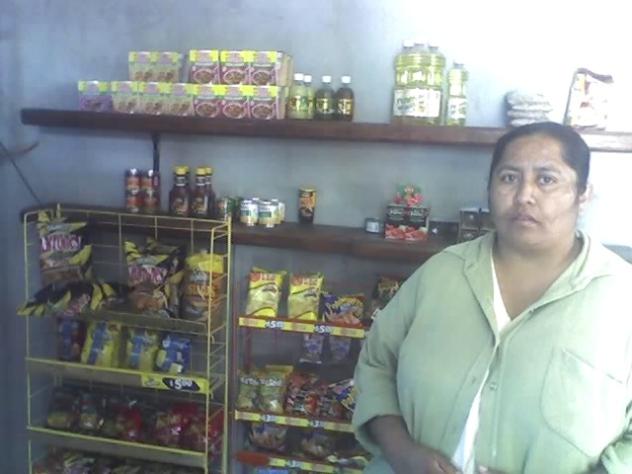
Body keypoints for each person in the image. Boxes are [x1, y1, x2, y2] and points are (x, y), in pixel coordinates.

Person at [353, 122, 632, 474]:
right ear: (489, 187)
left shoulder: (621, 295)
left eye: (547, 179)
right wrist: (402, 452)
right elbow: (376, 364)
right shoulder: (441, 274)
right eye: (509, 178)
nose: (524, 195)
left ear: (583, 194)